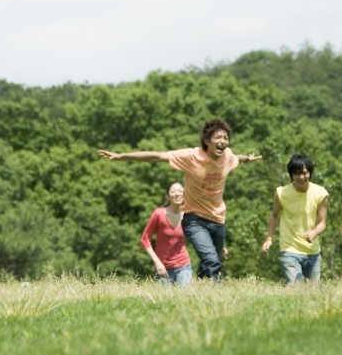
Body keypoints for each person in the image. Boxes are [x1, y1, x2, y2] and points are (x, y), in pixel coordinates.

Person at [99, 119, 262, 281]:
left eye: (225, 138)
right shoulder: (191, 156)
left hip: (218, 218)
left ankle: (199, 290)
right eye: (218, 138)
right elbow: (157, 156)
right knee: (212, 260)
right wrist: (122, 156)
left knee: (211, 262)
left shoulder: (228, 156)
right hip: (195, 219)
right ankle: (217, 294)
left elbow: (237, 158)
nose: (223, 142)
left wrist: (247, 158)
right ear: (207, 140)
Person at [261, 154, 329, 284]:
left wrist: (314, 233)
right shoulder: (281, 193)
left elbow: (322, 223)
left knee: (313, 292)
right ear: (291, 175)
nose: (301, 177)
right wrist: (269, 238)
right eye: (297, 174)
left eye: (304, 173)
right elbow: (274, 215)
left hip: (312, 250)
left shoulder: (321, 193)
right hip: (289, 248)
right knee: (294, 287)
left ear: (310, 173)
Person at [141, 182, 192, 286]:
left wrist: (218, 245)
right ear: (167, 196)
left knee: (185, 299)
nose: (177, 194)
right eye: (173, 191)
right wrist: (157, 262)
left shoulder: (189, 215)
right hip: (162, 268)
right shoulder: (159, 214)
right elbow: (144, 239)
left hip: (184, 265)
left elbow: (202, 233)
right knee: (164, 301)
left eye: (181, 191)